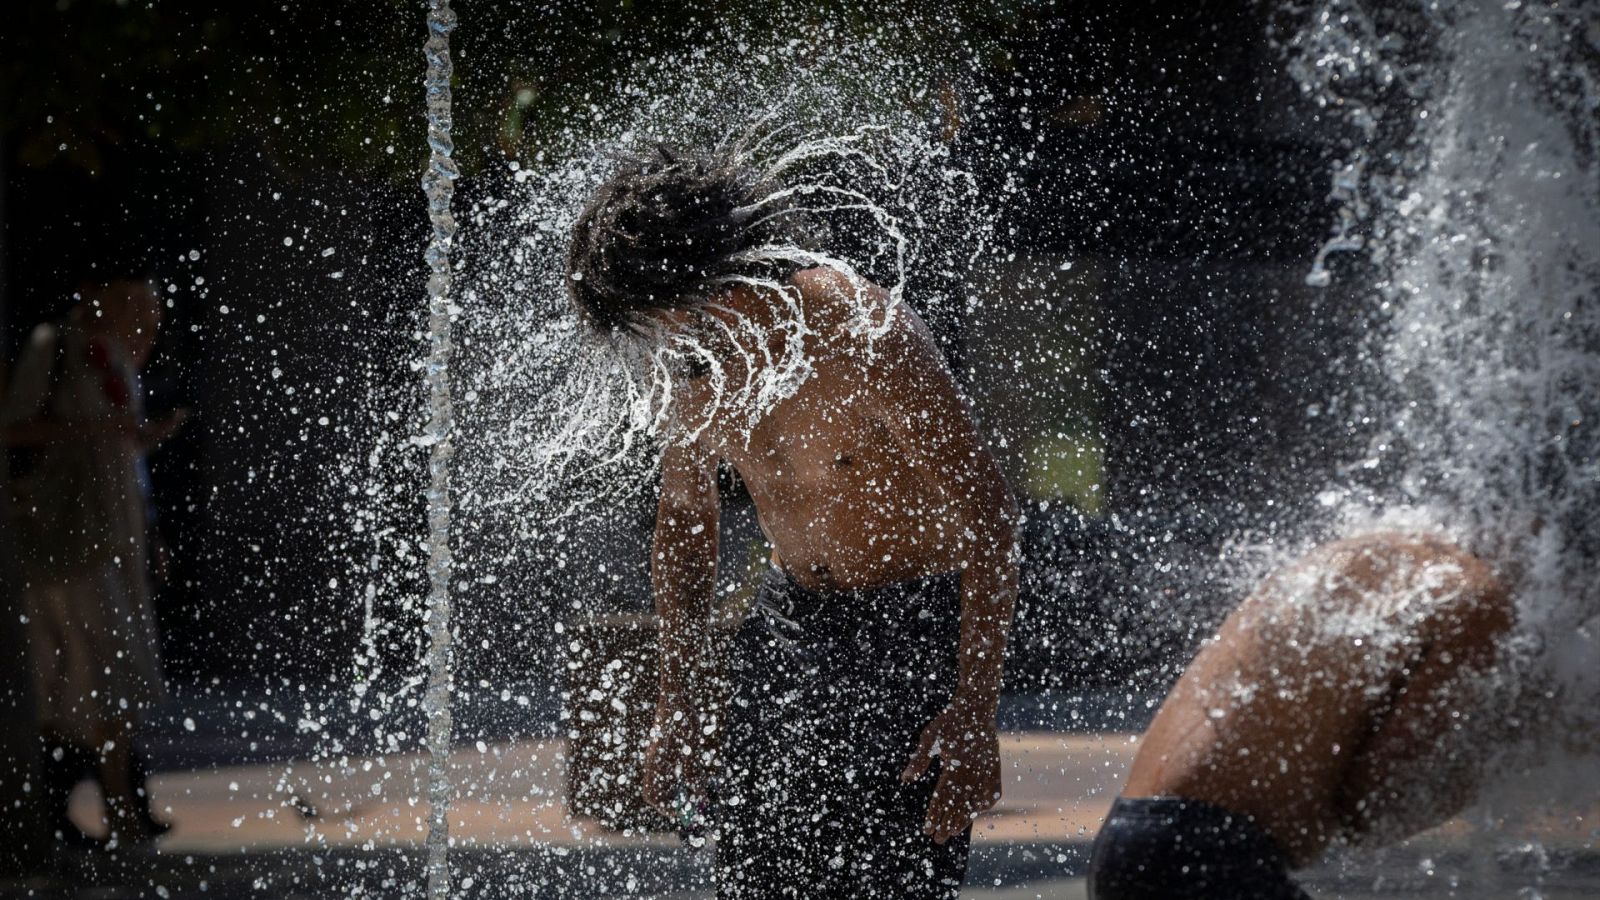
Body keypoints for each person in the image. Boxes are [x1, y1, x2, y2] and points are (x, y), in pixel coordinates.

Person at [566, 146, 1021, 898]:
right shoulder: (697, 375)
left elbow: (990, 513)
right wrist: (675, 705)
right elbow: (684, 521)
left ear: (704, 280)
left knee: (888, 880)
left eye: (664, 319)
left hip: (907, 629)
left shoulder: (862, 329)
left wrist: (975, 710)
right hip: (787, 624)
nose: (665, 342)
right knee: (755, 876)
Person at [1088, 532, 1516, 900]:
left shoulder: (1376, 552)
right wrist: (1499, 760)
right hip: (1208, 854)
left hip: (1130, 838)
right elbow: (1368, 808)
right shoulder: (1477, 594)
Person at [1, 276, 186, 846]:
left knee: (101, 678)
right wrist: (98, 431)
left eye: (155, 316)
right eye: (139, 310)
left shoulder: (113, 361)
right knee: (91, 676)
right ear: (101, 297)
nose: (148, 327)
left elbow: (122, 457)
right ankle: (112, 811)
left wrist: (150, 524)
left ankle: (108, 807)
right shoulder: (56, 348)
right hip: (66, 543)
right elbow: (15, 428)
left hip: (113, 538)